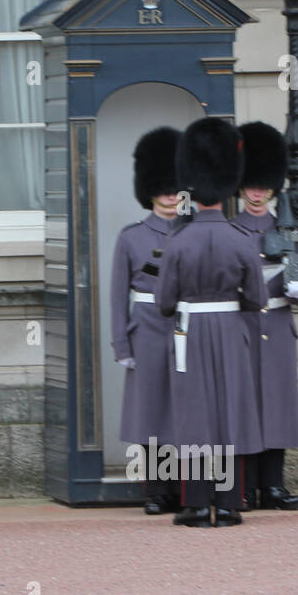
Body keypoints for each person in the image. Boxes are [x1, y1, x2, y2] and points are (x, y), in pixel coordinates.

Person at [156, 118, 266, 528]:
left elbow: (165, 302)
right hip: (230, 328)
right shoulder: (242, 240)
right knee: (230, 412)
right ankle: (231, 502)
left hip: (189, 329)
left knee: (195, 414)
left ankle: (197, 504)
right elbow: (256, 299)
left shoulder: (177, 241)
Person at [110, 126, 186, 514]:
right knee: (150, 410)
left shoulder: (192, 232)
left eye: (175, 189)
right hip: (146, 328)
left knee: (181, 409)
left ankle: (181, 488)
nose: (171, 196)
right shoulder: (131, 237)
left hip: (185, 327)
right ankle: (155, 490)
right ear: (151, 191)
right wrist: (121, 344)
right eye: (164, 189)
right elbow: (116, 294)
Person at [236, 122, 298, 511]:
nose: (257, 192)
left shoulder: (287, 228)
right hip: (244, 327)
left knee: (277, 406)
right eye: (251, 186)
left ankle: (275, 486)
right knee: (247, 406)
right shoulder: (232, 230)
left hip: (279, 328)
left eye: (263, 186)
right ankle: (246, 488)